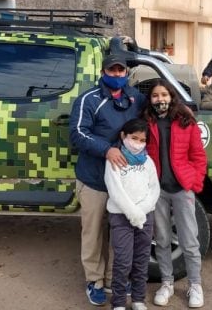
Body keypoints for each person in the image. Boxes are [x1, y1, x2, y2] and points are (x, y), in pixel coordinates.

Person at [69, 54, 146, 306]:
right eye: (111, 71)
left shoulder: (135, 98)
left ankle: (116, 278)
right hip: (94, 180)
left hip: (124, 183)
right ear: (103, 71)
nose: (116, 75)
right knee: (93, 232)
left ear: (126, 73)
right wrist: (107, 149)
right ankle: (95, 280)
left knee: (121, 233)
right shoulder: (89, 99)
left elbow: (157, 112)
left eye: (120, 71)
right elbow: (78, 133)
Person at [143, 79, 208, 308]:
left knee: (190, 241)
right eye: (155, 96)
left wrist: (194, 182)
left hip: (182, 189)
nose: (160, 99)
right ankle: (167, 283)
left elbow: (198, 156)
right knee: (161, 239)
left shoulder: (185, 121)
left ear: (172, 97)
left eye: (164, 95)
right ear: (150, 100)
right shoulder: (147, 122)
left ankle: (195, 284)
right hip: (157, 191)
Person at [105, 118, 160, 310]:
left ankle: (138, 299)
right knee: (122, 261)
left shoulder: (148, 162)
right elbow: (115, 191)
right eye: (133, 138)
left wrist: (141, 211)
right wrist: (133, 213)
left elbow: (154, 190)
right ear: (123, 136)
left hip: (145, 217)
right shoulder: (115, 160)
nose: (137, 143)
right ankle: (119, 302)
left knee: (141, 259)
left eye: (141, 140)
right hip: (121, 217)